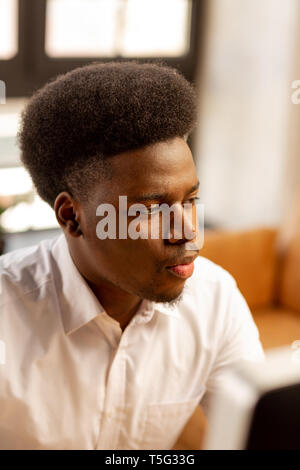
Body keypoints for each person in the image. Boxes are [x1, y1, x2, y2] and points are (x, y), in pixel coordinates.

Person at [0, 61, 265, 450]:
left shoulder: (215, 299)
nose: (188, 231)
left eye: (191, 200)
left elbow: (256, 429)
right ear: (73, 216)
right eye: (152, 209)